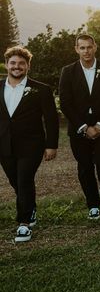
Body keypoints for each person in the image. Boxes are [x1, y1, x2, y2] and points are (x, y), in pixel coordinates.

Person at [0, 46, 58, 242]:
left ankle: (24, 223)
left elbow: (51, 119)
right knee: (15, 181)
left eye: (21, 63)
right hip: (4, 144)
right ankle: (30, 208)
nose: (17, 67)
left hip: (31, 145)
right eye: (13, 63)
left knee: (24, 179)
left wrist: (51, 145)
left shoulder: (41, 89)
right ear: (7, 64)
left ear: (28, 66)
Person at [59, 34, 100, 219]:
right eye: (82, 48)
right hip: (78, 128)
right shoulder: (67, 71)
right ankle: (93, 204)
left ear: (95, 47)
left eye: (89, 47)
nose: (86, 51)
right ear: (76, 49)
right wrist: (84, 127)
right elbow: (65, 103)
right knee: (84, 167)